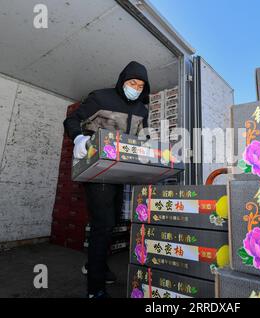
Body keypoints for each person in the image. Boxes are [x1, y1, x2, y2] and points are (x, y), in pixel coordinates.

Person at [63, 61, 150, 298]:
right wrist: (79, 138)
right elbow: (72, 120)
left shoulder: (143, 109)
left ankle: (94, 265)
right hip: (97, 167)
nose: (136, 88)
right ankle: (95, 288)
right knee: (103, 225)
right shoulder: (101, 97)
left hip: (120, 171)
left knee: (110, 223)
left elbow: (143, 137)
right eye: (132, 83)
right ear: (123, 80)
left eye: (141, 85)